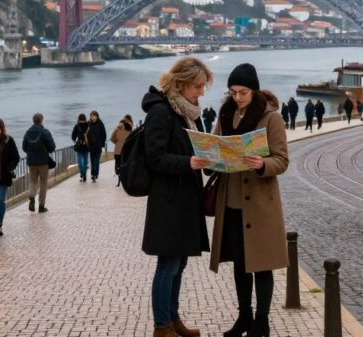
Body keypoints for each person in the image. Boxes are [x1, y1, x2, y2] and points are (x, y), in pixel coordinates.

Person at [210, 63, 289, 337]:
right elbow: (219, 150)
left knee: (261, 264)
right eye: (233, 92)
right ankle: (243, 318)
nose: (237, 97)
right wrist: (212, 158)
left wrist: (261, 164)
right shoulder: (225, 115)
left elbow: (281, 160)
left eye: (242, 92)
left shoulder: (271, 118)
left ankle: (262, 321)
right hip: (231, 200)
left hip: (259, 204)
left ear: (254, 90)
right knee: (240, 265)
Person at [142, 56, 213, 337]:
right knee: (168, 265)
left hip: (185, 199)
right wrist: (188, 163)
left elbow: (197, 148)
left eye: (203, 87)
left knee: (179, 264)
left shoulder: (188, 113)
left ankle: (173, 320)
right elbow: (155, 158)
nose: (201, 92)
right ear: (181, 83)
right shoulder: (160, 112)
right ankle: (162, 327)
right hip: (169, 201)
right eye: (197, 86)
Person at [22, 113, 56, 213]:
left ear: (33, 121)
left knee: (32, 181)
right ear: (41, 120)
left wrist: (31, 153)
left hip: (31, 162)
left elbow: (24, 147)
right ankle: (41, 206)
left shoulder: (27, 132)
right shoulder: (45, 132)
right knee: (43, 183)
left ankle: (31, 198)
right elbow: (52, 147)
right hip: (43, 162)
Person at [111, 115, 134, 187]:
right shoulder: (130, 128)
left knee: (118, 164)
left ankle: (119, 176)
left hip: (118, 149)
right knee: (126, 164)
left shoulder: (118, 127)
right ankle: (125, 178)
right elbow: (133, 139)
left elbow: (112, 138)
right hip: (127, 149)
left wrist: (117, 143)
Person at [88, 110, 108, 182]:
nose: (92, 117)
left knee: (96, 160)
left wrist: (102, 143)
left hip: (98, 145)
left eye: (94, 115)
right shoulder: (89, 124)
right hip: (91, 146)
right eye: (91, 115)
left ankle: (95, 174)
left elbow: (104, 134)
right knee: (92, 161)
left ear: (97, 116)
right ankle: (93, 175)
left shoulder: (100, 124)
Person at [71, 114, 91, 182]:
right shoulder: (88, 126)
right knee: (85, 162)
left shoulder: (77, 126)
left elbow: (73, 136)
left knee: (80, 162)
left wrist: (75, 140)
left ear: (78, 119)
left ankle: (83, 174)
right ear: (85, 118)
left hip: (79, 146)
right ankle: (83, 175)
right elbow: (91, 135)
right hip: (87, 146)